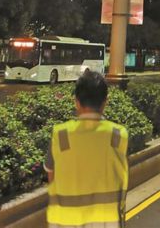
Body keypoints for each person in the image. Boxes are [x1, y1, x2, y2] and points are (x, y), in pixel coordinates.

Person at [44, 71, 128, 228]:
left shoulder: (61, 135)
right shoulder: (117, 136)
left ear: (76, 102)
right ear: (105, 102)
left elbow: (52, 176)